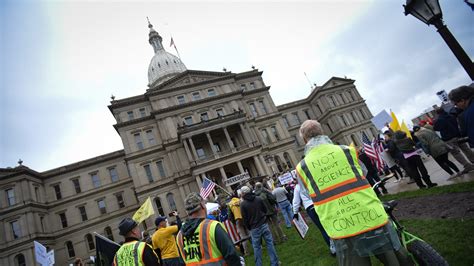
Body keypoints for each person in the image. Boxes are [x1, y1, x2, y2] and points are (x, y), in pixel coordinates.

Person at [295, 120, 412, 266]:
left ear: (304, 139)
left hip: (340, 226)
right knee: (396, 261)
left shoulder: (301, 167)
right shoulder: (346, 150)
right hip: (370, 214)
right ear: (322, 132)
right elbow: (364, 172)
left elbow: (307, 193)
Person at [176, 192, 241, 265]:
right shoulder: (213, 226)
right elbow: (231, 255)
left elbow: (182, 263)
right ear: (202, 205)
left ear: (187, 212)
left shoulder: (179, 236)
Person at [240, 186, 280, 266]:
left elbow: (245, 219)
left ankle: (261, 264)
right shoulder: (257, 199)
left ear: (243, 193)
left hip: (254, 227)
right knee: (269, 244)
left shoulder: (243, 204)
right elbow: (264, 210)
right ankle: (275, 263)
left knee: (257, 248)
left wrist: (249, 227)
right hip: (262, 224)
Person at [292, 182, 335, 255]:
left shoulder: (298, 187)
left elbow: (296, 201)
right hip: (320, 204)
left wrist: (295, 212)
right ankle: (339, 244)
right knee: (329, 225)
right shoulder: (311, 181)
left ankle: (334, 249)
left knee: (322, 229)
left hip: (311, 208)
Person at [434, 106, 474, 175]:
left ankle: (468, 166)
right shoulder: (451, 116)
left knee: (456, 153)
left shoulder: (439, 120)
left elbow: (436, 128)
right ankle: (473, 160)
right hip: (458, 135)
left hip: (449, 139)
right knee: (466, 149)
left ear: (437, 113)